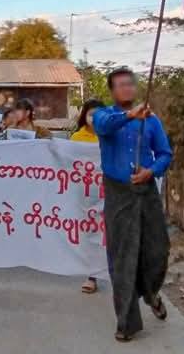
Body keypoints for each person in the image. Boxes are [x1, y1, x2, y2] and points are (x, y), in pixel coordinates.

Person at [93, 67, 173, 343]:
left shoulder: (152, 121)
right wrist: (129, 115)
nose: (126, 88)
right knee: (123, 258)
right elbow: (102, 126)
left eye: (130, 83)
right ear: (112, 91)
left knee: (157, 249)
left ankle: (151, 293)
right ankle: (126, 322)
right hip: (118, 194)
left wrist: (150, 171)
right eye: (120, 85)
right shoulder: (104, 115)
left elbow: (165, 154)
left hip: (146, 190)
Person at [70, 98, 104, 294]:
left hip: (110, 190)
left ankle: (113, 273)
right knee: (91, 234)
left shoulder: (111, 136)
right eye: (91, 114)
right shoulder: (77, 138)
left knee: (109, 234)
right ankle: (92, 276)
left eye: (98, 114)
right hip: (85, 193)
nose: (94, 118)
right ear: (85, 116)